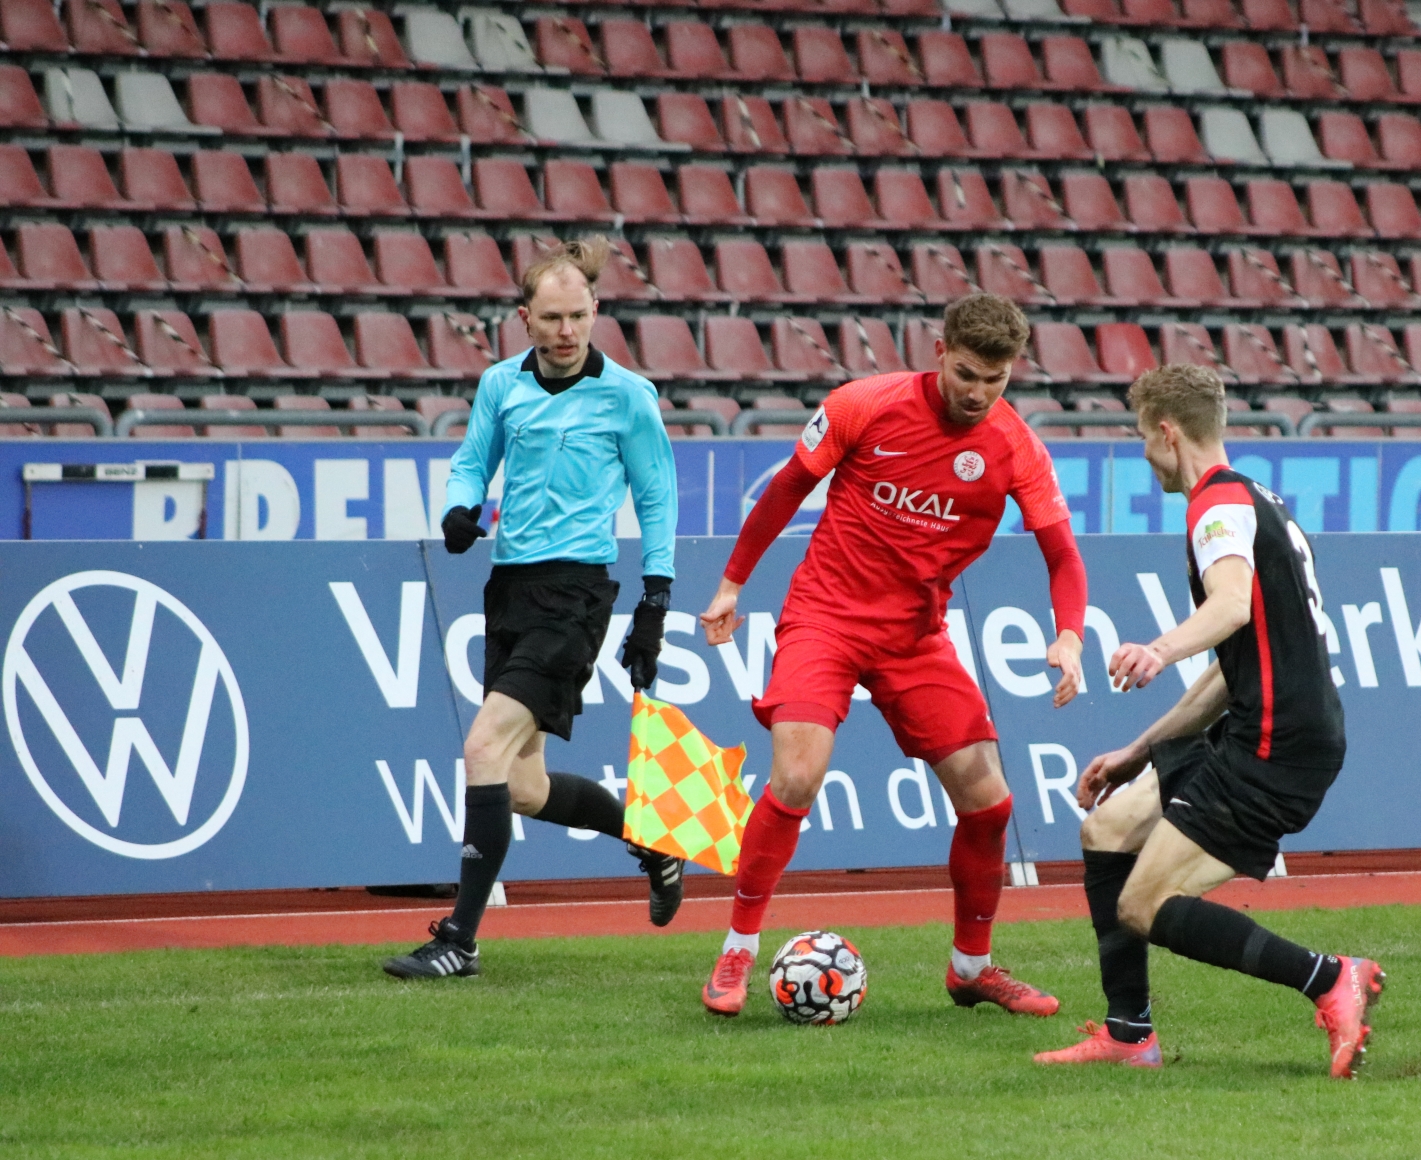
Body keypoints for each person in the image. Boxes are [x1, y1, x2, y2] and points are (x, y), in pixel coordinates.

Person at [696, 294, 1088, 1018]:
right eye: (966, 374)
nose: (978, 392)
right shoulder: (864, 404)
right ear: (940, 352)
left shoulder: (1017, 448)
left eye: (995, 379)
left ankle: (971, 969)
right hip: (826, 618)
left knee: (990, 802)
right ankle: (738, 950)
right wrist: (731, 584)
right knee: (797, 775)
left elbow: (1062, 554)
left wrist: (1069, 634)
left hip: (915, 637)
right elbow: (786, 489)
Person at [1032, 364, 1382, 1078]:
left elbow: (1229, 606)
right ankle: (1130, 1036)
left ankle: (1330, 978)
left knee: (1144, 903)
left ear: (1168, 433)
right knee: (1106, 830)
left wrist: (1157, 650)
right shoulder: (1255, 499)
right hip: (1260, 724)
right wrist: (1139, 749)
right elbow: (1232, 666)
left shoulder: (1215, 507)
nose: (1144, 455)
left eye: (1142, 438)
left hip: (1277, 745)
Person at [383, 239, 681, 980]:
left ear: (596, 310)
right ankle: (653, 841)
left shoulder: (628, 396)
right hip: (510, 591)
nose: (566, 330)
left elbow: (657, 497)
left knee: (482, 748)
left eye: (578, 315)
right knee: (523, 787)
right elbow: (471, 462)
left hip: (575, 596)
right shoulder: (500, 385)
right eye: (551, 318)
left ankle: (460, 939)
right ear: (524, 318)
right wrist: (459, 508)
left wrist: (656, 600)